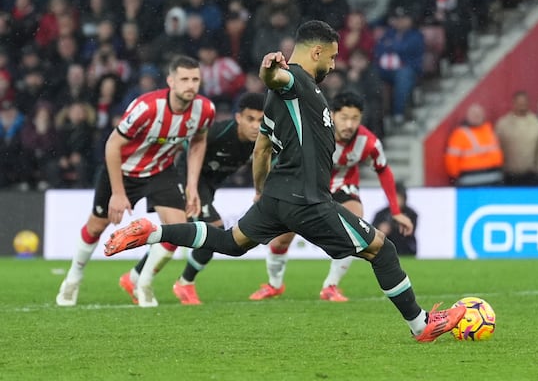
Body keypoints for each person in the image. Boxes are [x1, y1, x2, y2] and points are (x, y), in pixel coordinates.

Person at [104, 20, 465, 342]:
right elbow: (278, 77)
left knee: (231, 242)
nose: (334, 64)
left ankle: (152, 232)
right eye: (333, 57)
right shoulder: (297, 84)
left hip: (277, 197)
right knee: (381, 248)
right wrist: (268, 70)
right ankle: (421, 325)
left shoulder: (277, 103)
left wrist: (261, 191)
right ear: (318, 52)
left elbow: (261, 150)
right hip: (307, 198)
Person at [55, 55, 215, 307]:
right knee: (96, 227)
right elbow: (112, 144)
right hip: (123, 170)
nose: (190, 85)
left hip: (160, 171)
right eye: (184, 79)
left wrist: (192, 185)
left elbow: (198, 141)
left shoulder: (205, 109)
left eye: (195, 79)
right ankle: (72, 279)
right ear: (170, 81)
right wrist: (118, 194)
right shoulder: (148, 107)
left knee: (178, 231)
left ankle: (144, 282)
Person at [248, 91, 406, 302]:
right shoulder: (313, 131)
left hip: (343, 188)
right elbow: (280, 158)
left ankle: (330, 286)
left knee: (355, 228)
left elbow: (383, 171)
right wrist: (266, 190)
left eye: (355, 118)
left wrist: (396, 211)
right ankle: (274, 284)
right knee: (280, 240)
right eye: (344, 117)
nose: (349, 124)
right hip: (305, 188)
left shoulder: (368, 142)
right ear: (331, 115)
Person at [118, 92, 265, 306]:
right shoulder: (220, 132)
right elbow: (188, 148)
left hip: (207, 187)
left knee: (177, 233)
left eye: (261, 120)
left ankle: (133, 277)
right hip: (184, 178)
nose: (255, 126)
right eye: (250, 119)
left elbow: (264, 162)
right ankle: (184, 283)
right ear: (238, 118)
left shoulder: (262, 141)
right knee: (214, 228)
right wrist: (190, 187)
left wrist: (261, 190)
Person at [495, 91, 538, 186]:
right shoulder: (503, 124)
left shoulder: (537, 124)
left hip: (531, 176)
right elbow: (496, 147)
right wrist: (500, 168)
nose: (522, 105)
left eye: (524, 103)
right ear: (513, 103)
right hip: (508, 176)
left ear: (528, 103)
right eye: (519, 103)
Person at [444, 103, 504, 186]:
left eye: (479, 114)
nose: (476, 117)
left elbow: (497, 152)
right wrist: (456, 177)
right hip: (470, 181)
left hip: (493, 179)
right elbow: (451, 159)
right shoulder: (460, 134)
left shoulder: (489, 131)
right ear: (468, 116)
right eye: (474, 115)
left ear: (483, 116)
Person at [372, 182, 418, 256]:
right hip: (385, 251)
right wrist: (379, 229)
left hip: (406, 251)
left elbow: (410, 232)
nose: (396, 200)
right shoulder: (381, 214)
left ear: (404, 198)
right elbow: (371, 231)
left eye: (398, 197)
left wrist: (396, 227)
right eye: (393, 197)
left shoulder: (411, 214)